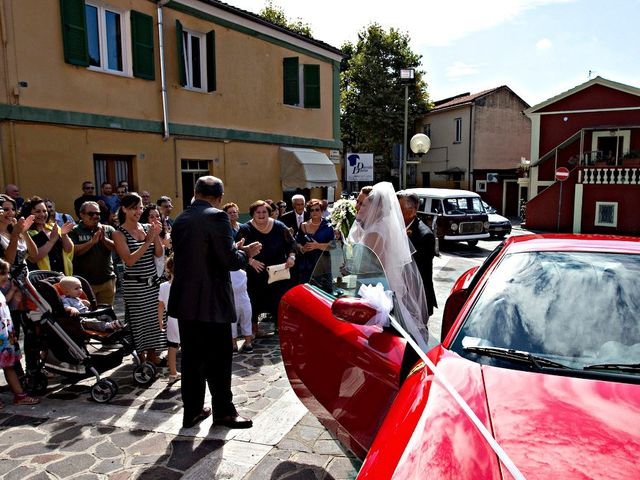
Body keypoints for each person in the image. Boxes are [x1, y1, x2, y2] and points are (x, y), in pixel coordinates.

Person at [169, 175, 261, 429]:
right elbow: (229, 261)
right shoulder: (217, 216)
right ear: (219, 197)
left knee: (192, 360)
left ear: (195, 192)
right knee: (219, 360)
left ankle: (193, 411)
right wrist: (245, 252)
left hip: (186, 301)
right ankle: (224, 412)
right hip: (212, 301)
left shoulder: (180, 219)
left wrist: (232, 248)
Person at [348, 182, 429, 351]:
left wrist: (349, 265)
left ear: (377, 208)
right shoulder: (384, 227)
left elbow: (368, 267)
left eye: (365, 204)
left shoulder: (374, 232)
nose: (360, 207)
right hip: (390, 286)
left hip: (378, 290)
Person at [112, 192, 166, 367]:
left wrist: (155, 235)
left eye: (140, 207)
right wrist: (147, 241)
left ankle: (153, 355)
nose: (138, 211)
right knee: (139, 322)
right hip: (135, 285)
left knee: (154, 320)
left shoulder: (145, 227)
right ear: (124, 209)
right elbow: (129, 260)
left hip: (152, 283)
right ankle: (141, 358)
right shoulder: (119, 233)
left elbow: (158, 253)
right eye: (134, 208)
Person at [236, 200, 296, 336]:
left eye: (264, 212)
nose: (261, 214)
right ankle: (253, 328)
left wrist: (291, 257)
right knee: (253, 300)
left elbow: (292, 244)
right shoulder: (245, 229)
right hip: (256, 272)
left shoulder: (279, 226)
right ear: (252, 214)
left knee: (278, 299)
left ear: (269, 213)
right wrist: (250, 261)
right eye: (258, 212)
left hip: (277, 272)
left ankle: (278, 325)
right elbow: (237, 249)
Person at [0, 258, 40, 407]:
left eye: (7, 273)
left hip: (5, 336)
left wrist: (12, 291)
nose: (7, 276)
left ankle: (20, 395)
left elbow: (6, 301)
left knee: (9, 366)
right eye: (2, 273)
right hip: (2, 336)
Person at [397, 191, 438, 317]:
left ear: (413, 211)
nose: (395, 213)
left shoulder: (425, 235)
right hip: (401, 296)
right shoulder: (397, 228)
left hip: (418, 299)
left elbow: (419, 273)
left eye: (399, 209)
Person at [68, 201, 117, 306]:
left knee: (107, 314)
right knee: (88, 315)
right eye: (91, 214)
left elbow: (117, 248)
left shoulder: (108, 229)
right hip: (84, 284)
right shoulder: (74, 231)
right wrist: (91, 242)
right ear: (82, 214)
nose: (95, 216)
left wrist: (104, 239)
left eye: (98, 213)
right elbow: (74, 252)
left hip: (107, 281)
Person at [23, 196, 75, 275]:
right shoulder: (25, 233)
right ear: (28, 213)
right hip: (42, 278)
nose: (42, 214)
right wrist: (51, 241)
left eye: (44, 211)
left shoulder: (53, 227)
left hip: (62, 275)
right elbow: (33, 258)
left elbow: (68, 250)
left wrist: (64, 235)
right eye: (37, 211)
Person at [58, 276, 123, 332]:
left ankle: (114, 325)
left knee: (105, 316)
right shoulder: (65, 299)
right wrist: (71, 308)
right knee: (93, 322)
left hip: (88, 314)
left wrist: (84, 302)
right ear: (66, 292)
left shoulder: (76, 298)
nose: (80, 290)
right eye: (76, 288)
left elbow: (81, 304)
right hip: (81, 320)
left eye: (80, 287)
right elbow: (65, 306)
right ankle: (108, 326)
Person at [295, 199, 335, 284]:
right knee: (307, 290)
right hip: (306, 263)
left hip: (322, 263)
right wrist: (302, 249)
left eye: (317, 209)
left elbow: (333, 245)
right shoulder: (303, 225)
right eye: (311, 210)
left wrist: (317, 245)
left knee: (323, 289)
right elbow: (297, 242)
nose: (314, 212)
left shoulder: (328, 226)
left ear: (322, 211)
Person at [157, 254, 180, 385]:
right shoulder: (185, 285)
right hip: (184, 320)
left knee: (172, 347)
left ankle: (172, 373)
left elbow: (160, 306)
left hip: (171, 320)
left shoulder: (163, 286)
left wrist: (160, 321)